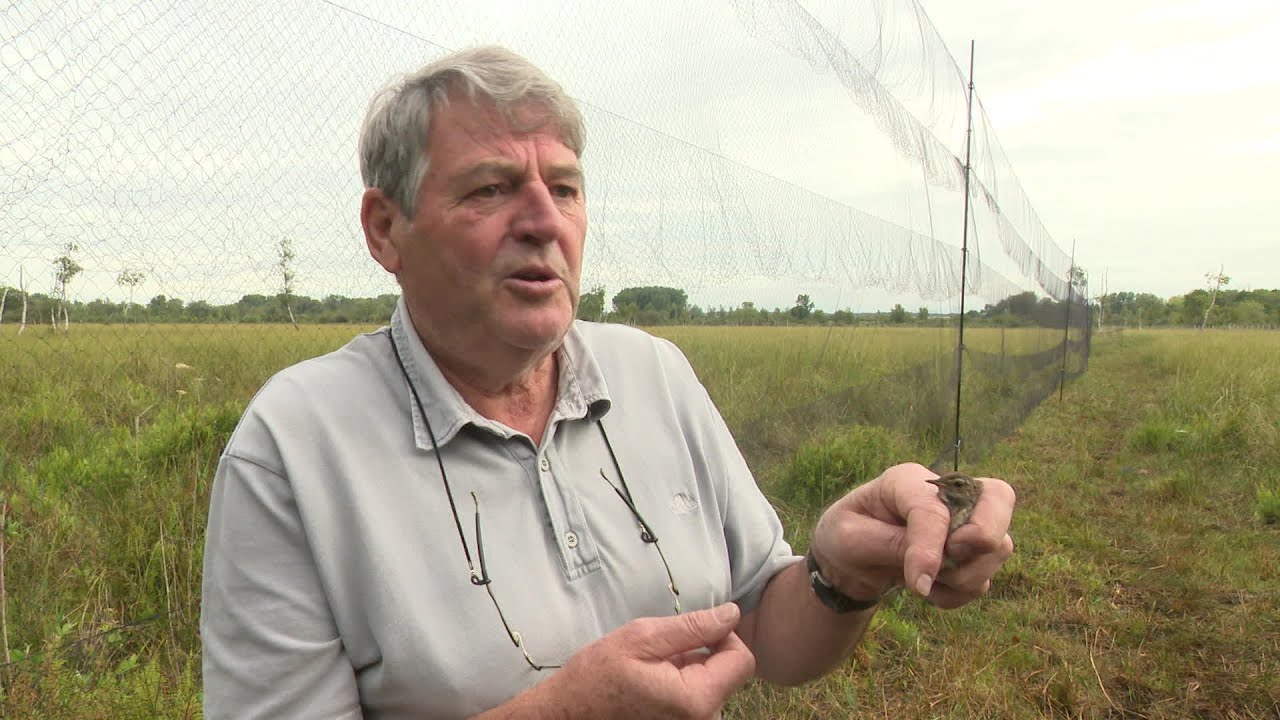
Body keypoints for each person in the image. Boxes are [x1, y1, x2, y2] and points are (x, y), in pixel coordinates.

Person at [199, 45, 1016, 719]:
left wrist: (839, 572)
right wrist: (562, 713)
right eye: (490, 188)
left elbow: (766, 627)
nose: (543, 220)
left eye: (563, 187)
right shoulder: (295, 447)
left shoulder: (652, 373)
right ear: (387, 228)